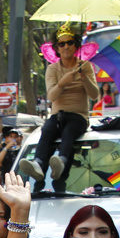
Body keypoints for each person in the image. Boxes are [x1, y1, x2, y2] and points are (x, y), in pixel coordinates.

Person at [17, 23, 97, 193]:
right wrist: (63, 82)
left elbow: (95, 95)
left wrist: (84, 78)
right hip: (58, 115)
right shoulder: (52, 69)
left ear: (75, 45)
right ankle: (38, 164)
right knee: (47, 130)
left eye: (69, 42)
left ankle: (60, 160)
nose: (66, 46)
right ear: (57, 48)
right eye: (62, 44)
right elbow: (52, 96)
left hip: (78, 116)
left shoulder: (85, 66)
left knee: (69, 131)